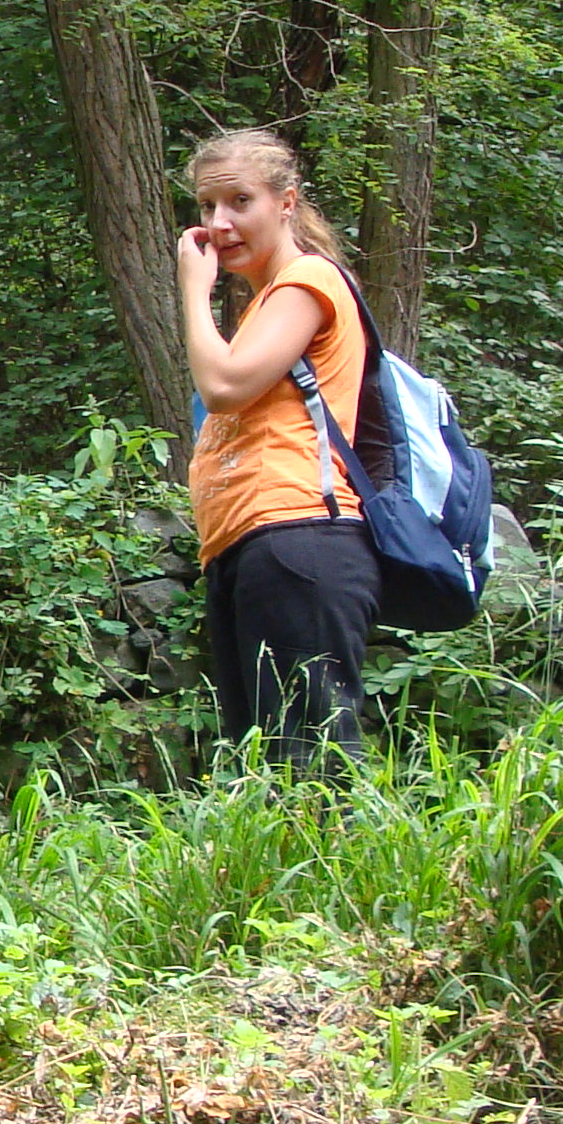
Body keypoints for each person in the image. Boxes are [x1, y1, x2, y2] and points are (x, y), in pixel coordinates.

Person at [177, 127, 376, 764]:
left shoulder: (308, 280)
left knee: (311, 765)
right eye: (208, 206)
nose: (220, 223)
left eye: (240, 201)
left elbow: (224, 386)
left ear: (286, 202)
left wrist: (193, 291)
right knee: (267, 768)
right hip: (244, 545)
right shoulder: (266, 304)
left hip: (298, 536)